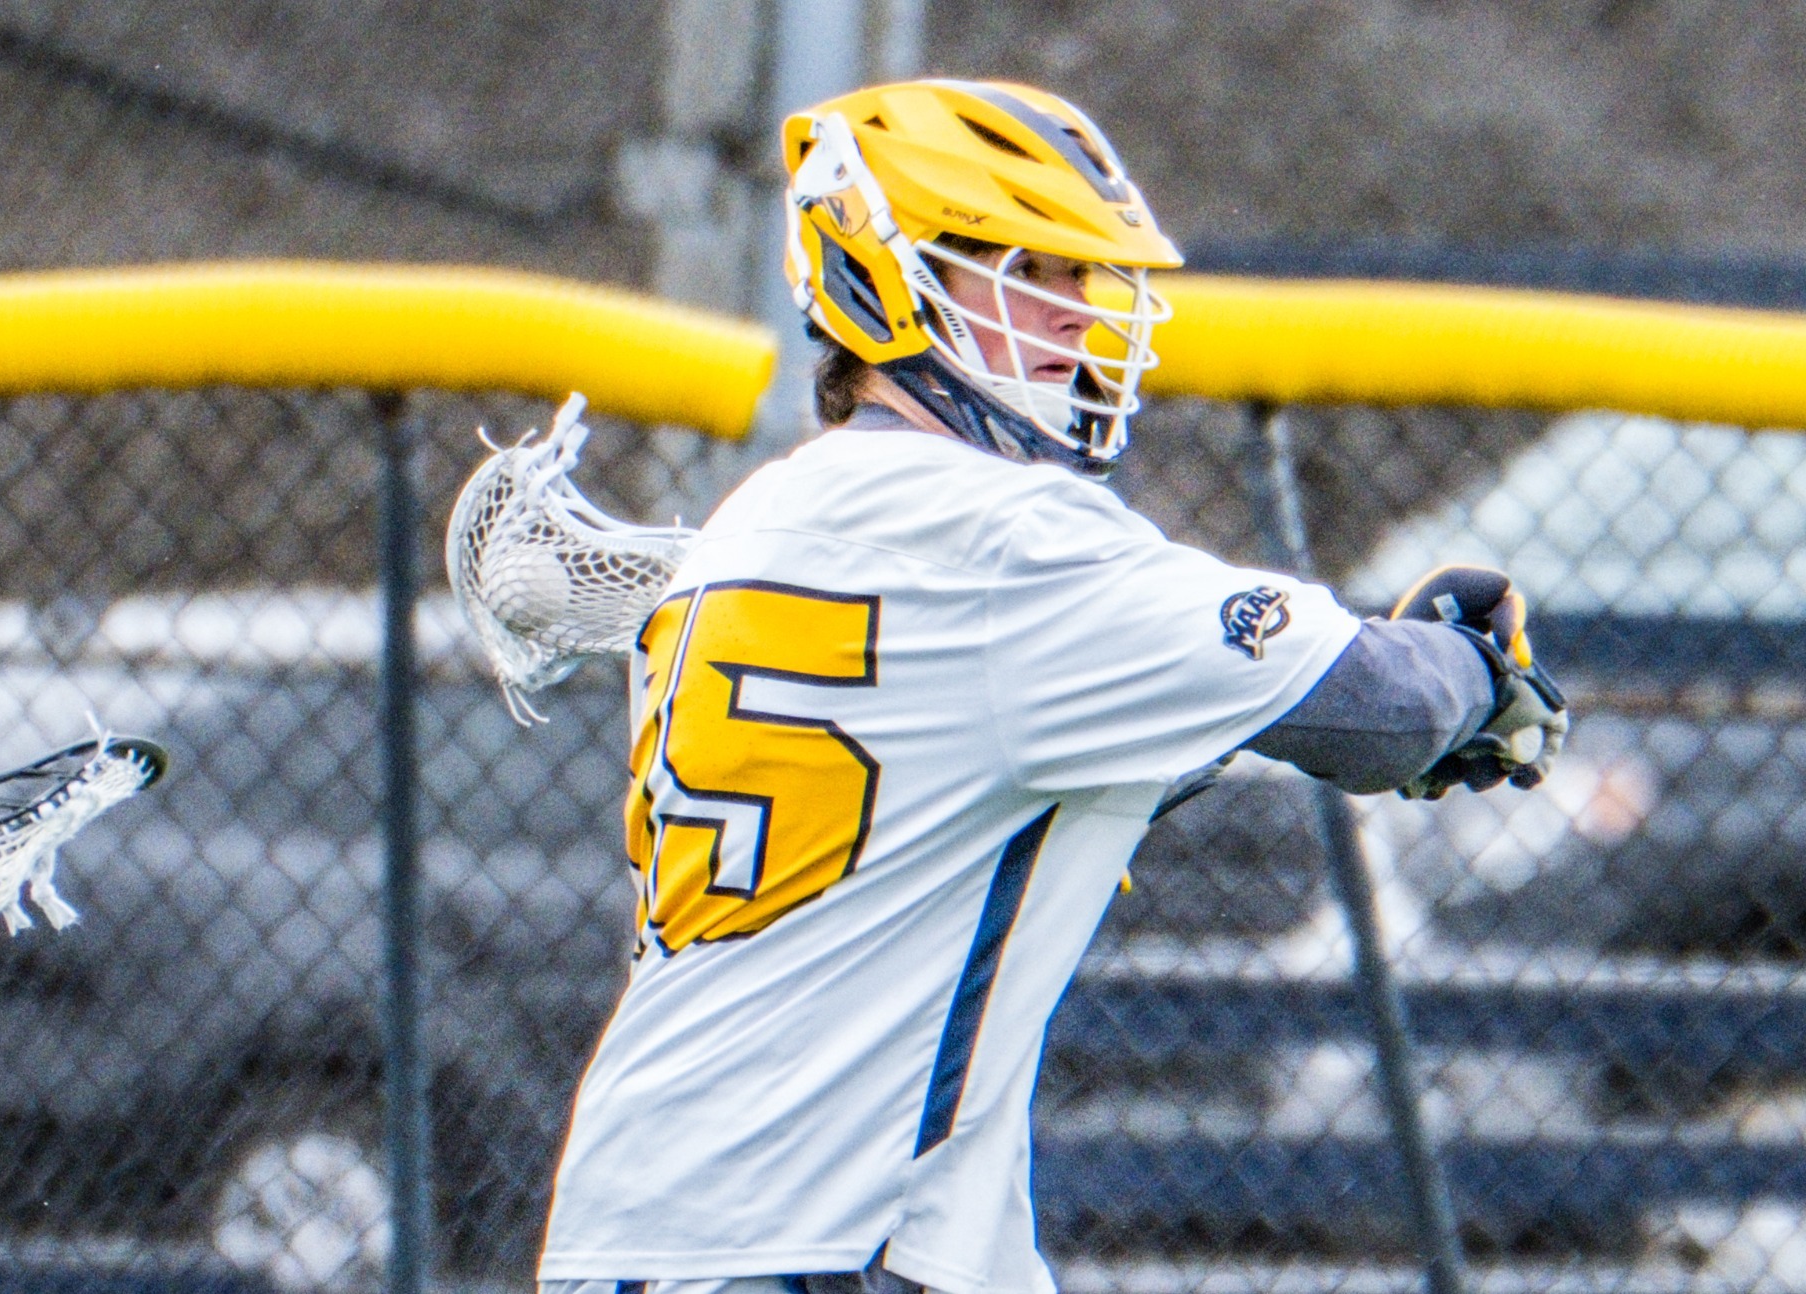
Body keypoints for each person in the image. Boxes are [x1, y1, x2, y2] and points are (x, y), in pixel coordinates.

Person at [537, 79, 1567, 1294]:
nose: (1082, 321)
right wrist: (1474, 669)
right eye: (1035, 271)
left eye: (1085, 280)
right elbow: (1377, 713)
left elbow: (973, 783)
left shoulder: (755, 519)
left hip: (629, 1226)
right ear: (890, 271)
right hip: (831, 1240)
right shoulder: (1006, 540)